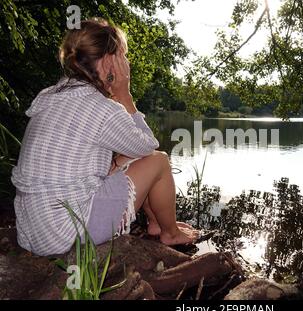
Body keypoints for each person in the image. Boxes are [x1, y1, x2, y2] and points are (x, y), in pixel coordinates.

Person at [11, 18, 199, 256]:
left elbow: (128, 154)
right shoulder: (100, 107)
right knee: (159, 160)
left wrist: (121, 161)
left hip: (33, 231)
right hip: (66, 234)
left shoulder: (50, 96)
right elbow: (148, 145)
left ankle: (157, 224)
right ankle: (170, 233)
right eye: (123, 57)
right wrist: (124, 93)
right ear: (110, 60)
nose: (126, 64)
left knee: (128, 158)